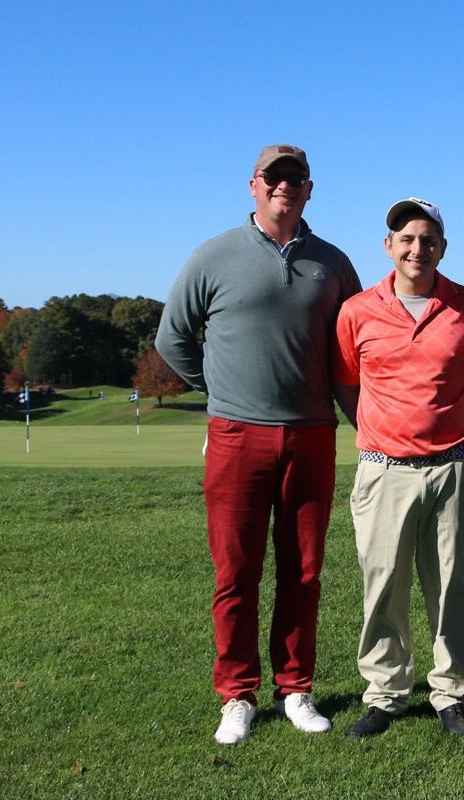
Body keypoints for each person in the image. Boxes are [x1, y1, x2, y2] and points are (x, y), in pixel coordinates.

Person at [155, 144, 362, 745]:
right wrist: (220, 390)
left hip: (310, 433)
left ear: (309, 188)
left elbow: (352, 341)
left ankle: (295, 688)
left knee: (304, 571)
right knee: (236, 570)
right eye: (274, 178)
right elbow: (174, 340)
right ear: (253, 185)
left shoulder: (332, 263)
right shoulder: (213, 255)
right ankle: (237, 695)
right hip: (235, 434)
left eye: (295, 179)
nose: (284, 187)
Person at [333, 197, 464, 738]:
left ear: (443, 248)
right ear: (388, 246)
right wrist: (385, 431)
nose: (417, 249)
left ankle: (451, 690)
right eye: (406, 239)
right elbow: (346, 385)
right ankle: (386, 693)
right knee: (383, 586)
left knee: (452, 586)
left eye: (427, 240)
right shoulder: (357, 310)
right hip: (383, 471)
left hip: (453, 469)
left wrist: (446, 420)